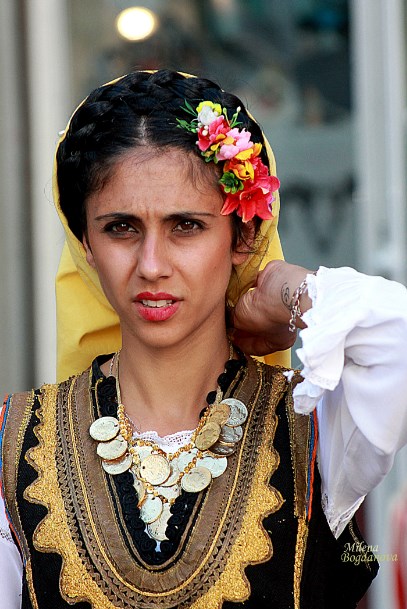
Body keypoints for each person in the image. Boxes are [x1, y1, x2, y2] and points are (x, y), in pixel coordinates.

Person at [1, 69, 407, 609]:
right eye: (121, 227)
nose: (151, 265)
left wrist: (287, 290)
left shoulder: (318, 424)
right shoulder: (14, 441)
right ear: (86, 245)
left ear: (243, 235)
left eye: (185, 226)